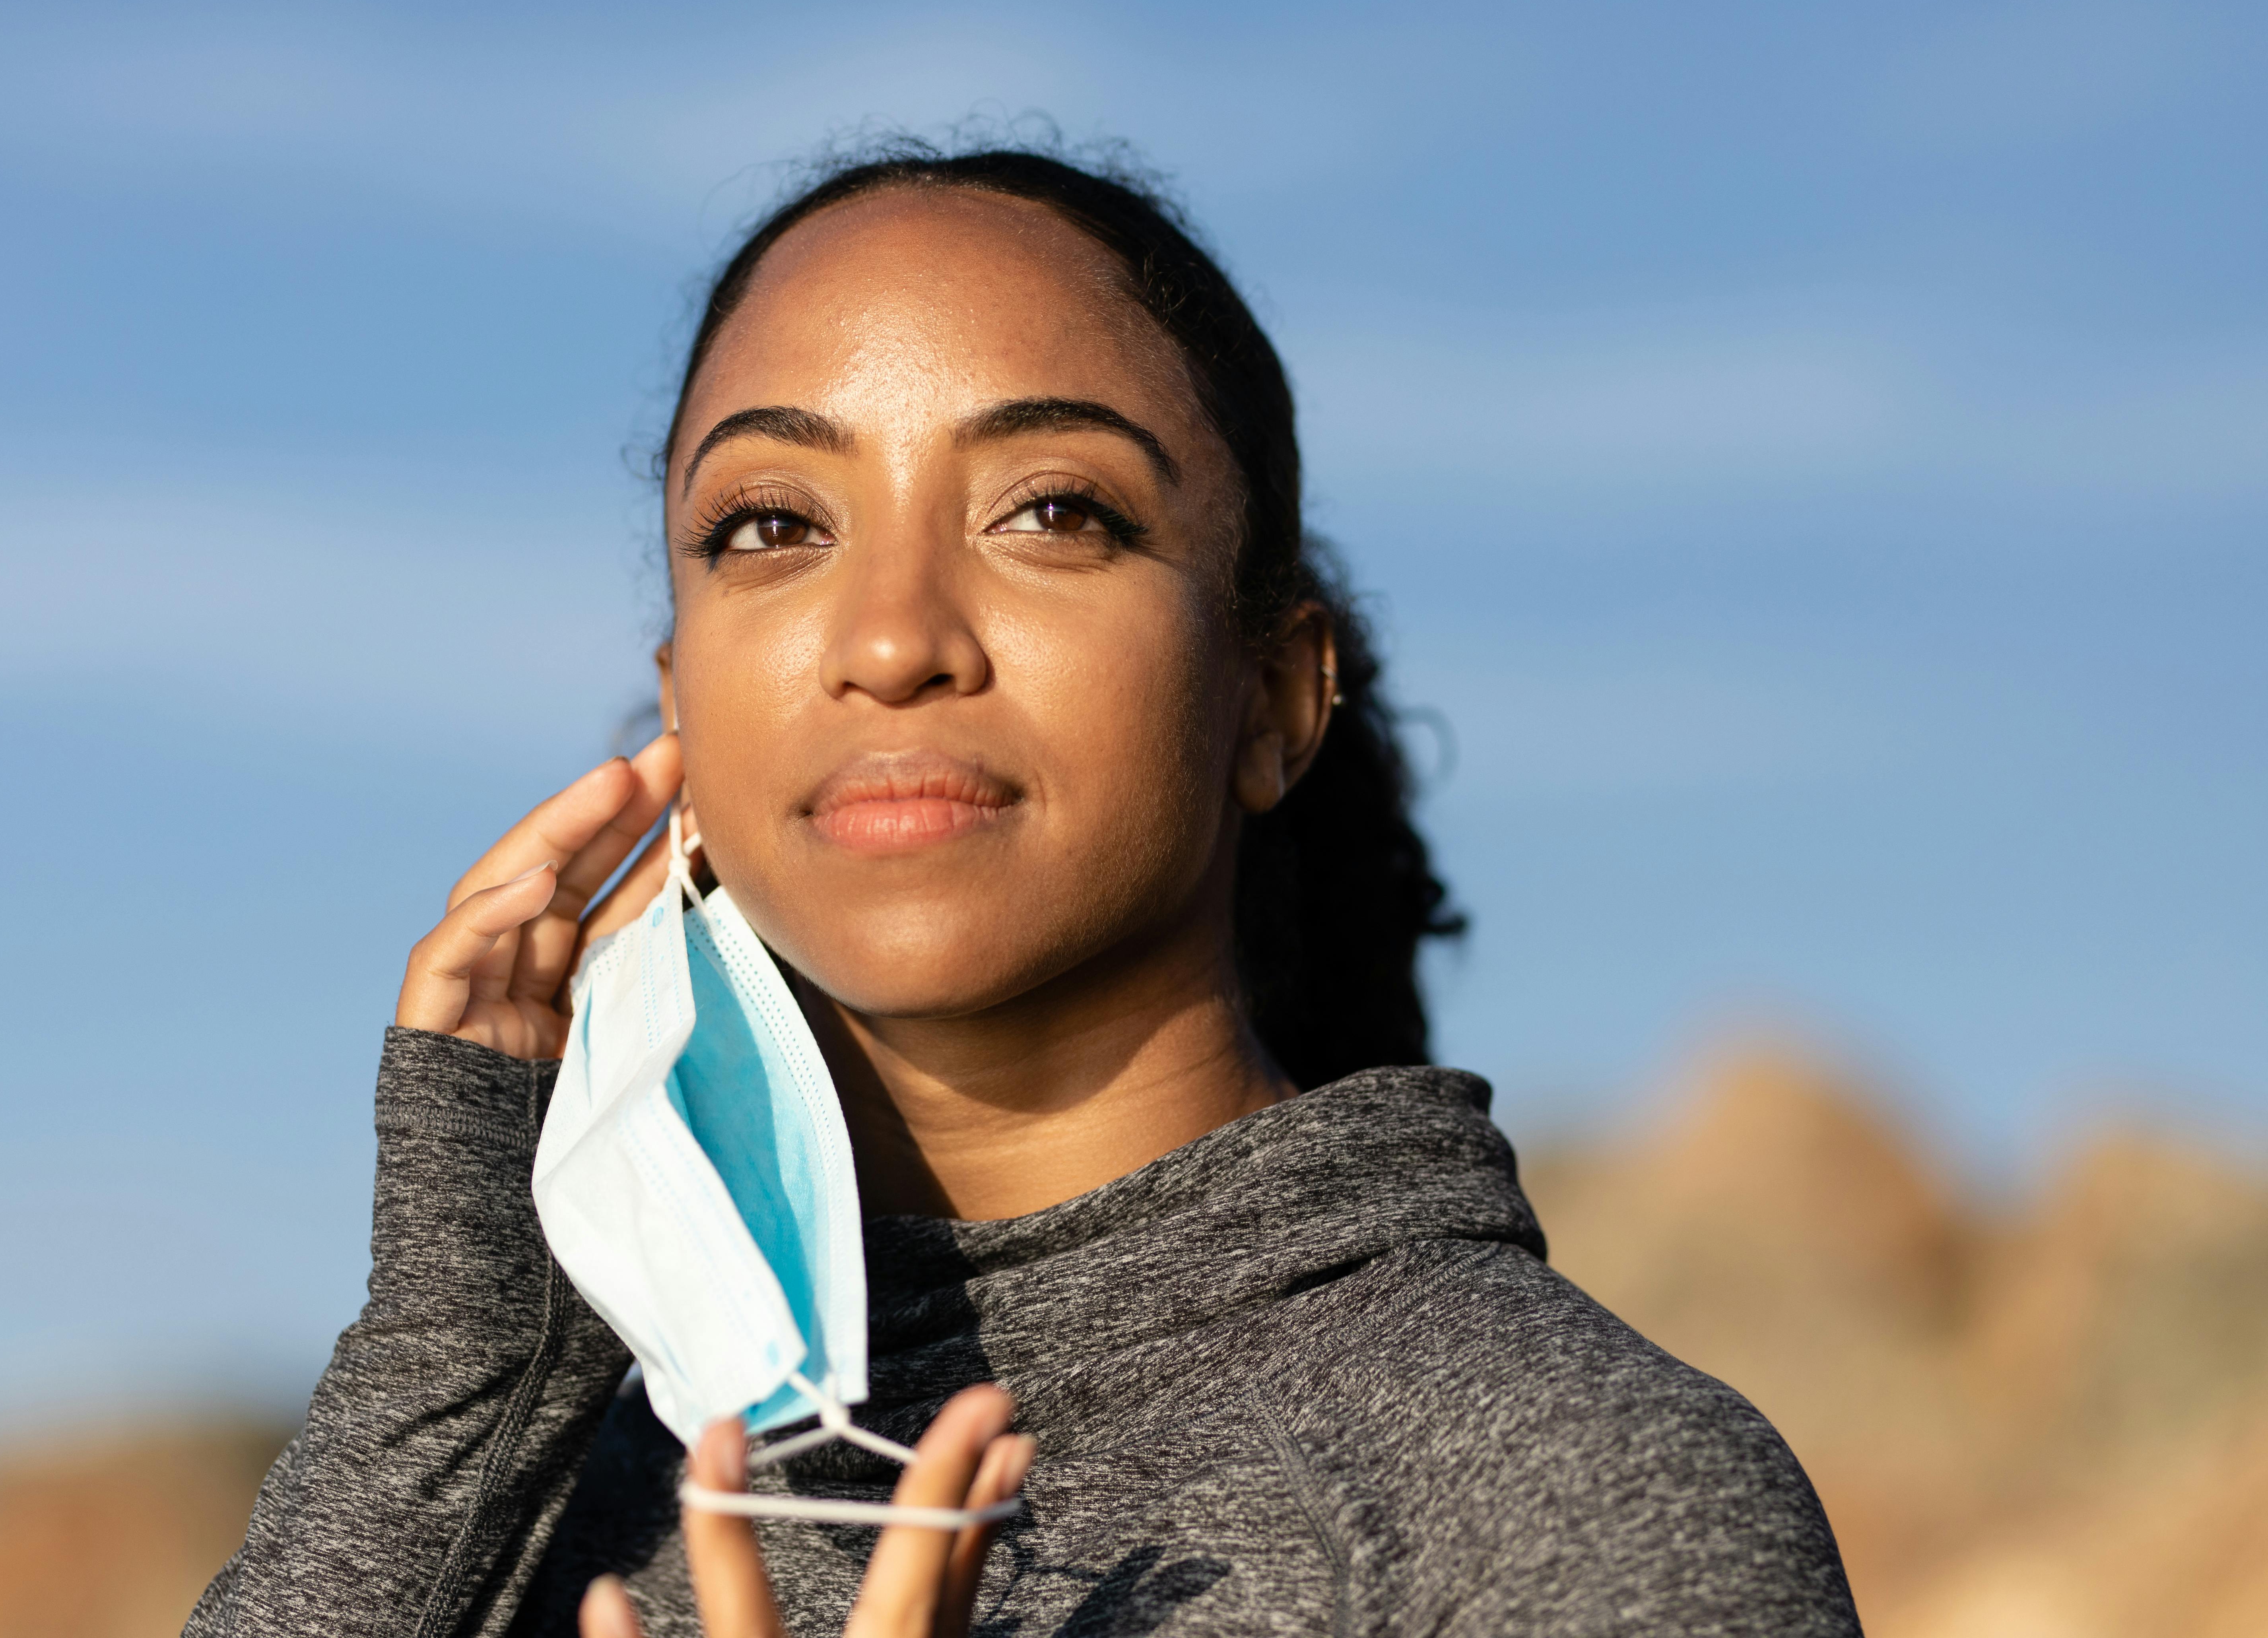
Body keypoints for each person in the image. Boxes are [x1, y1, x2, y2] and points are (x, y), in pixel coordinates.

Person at [186, 146, 1860, 1638]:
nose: (892, 639)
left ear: (1275, 698)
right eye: (772, 526)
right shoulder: (527, 1485)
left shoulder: (1573, 1490)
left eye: (1052, 510)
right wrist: (473, 1339)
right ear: (681, 698)